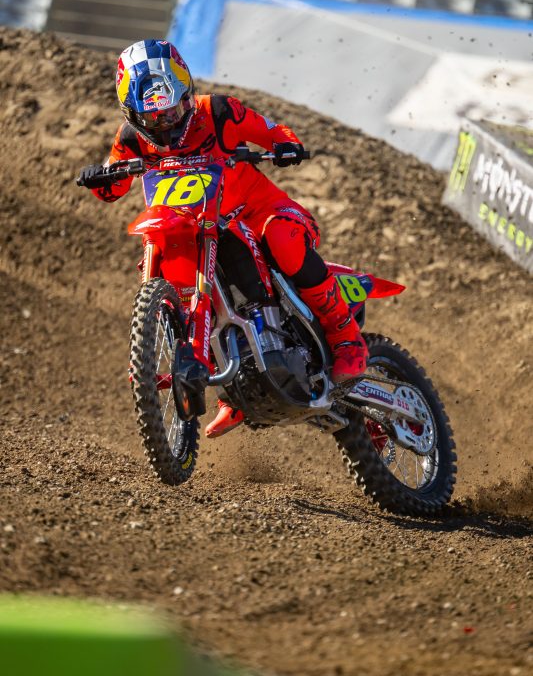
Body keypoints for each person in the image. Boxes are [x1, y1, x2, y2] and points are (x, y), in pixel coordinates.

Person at [78, 39, 367, 437]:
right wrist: (99, 176)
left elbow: (271, 131)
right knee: (182, 275)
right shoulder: (131, 137)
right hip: (196, 222)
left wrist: (286, 145)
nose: (166, 125)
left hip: (258, 212)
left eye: (173, 112)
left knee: (282, 241)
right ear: (132, 114)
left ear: (187, 94)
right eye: (154, 119)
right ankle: (234, 386)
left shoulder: (217, 111)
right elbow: (112, 185)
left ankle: (346, 338)